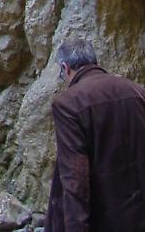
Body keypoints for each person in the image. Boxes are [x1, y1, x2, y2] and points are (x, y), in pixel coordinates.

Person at [45, 38, 145, 231]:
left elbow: (75, 178)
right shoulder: (137, 91)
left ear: (65, 68)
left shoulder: (68, 104)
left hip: (102, 216)